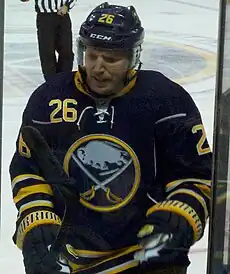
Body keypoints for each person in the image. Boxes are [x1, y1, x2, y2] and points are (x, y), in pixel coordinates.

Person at [10, 2, 212, 273]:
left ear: (133, 57)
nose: (98, 68)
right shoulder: (49, 99)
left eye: (111, 59)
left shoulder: (166, 100)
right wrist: (36, 219)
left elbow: (197, 175)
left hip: (144, 257)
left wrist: (181, 214)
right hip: (67, 259)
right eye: (92, 55)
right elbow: (28, 170)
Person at [21, 0, 77, 81]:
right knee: (47, 52)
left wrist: (67, 6)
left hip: (63, 16)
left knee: (66, 51)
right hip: (44, 17)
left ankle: (63, 80)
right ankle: (51, 83)